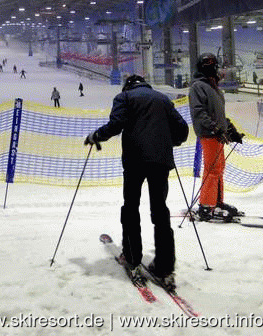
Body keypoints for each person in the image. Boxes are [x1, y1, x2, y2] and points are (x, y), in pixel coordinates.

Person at [84, 75, 188, 289]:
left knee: (131, 207)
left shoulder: (125, 97)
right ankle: (164, 266)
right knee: (160, 211)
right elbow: (183, 131)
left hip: (135, 161)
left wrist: (96, 136)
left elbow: (116, 124)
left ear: (128, 87)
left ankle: (132, 258)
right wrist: (167, 143)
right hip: (161, 161)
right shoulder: (163, 99)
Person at [189, 53, 244, 221]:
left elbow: (217, 114)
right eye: (207, 64)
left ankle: (216, 202)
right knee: (212, 169)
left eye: (212, 64)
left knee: (219, 168)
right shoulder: (198, 86)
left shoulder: (213, 88)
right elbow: (199, 113)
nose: (211, 67)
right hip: (209, 134)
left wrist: (229, 129)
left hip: (217, 134)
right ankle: (206, 206)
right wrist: (215, 128)